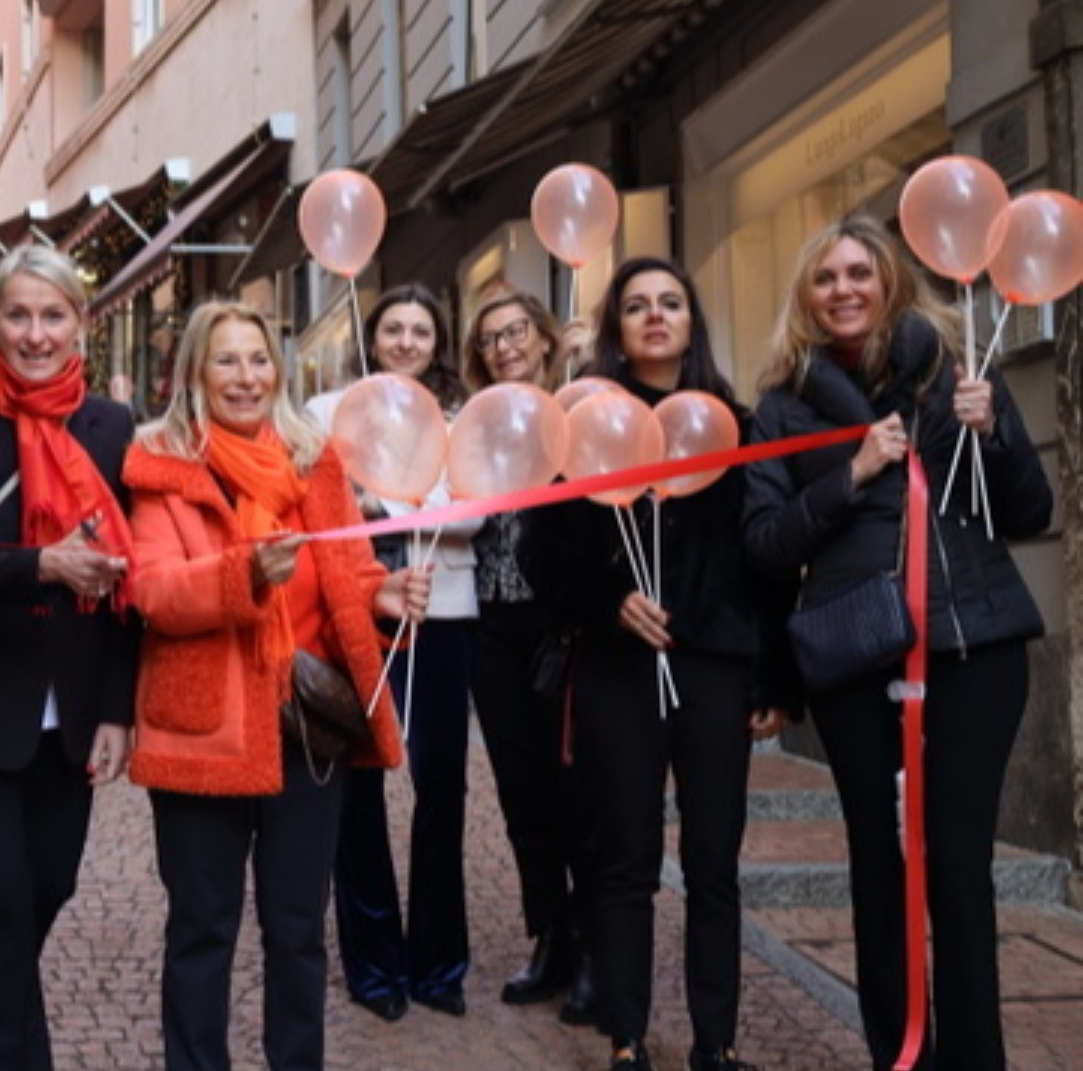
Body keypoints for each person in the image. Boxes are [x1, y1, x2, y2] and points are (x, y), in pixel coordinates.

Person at [745, 216, 1051, 1071]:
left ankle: (975, 1059)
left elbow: (1031, 515)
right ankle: (900, 1056)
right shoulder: (780, 407)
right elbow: (766, 545)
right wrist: (850, 478)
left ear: (889, 282)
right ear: (805, 298)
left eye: (859, 273)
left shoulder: (958, 380)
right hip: (854, 653)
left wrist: (999, 434)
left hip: (975, 647)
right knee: (878, 866)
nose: (843, 290)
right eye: (825, 278)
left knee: (957, 865)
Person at [125, 300, 432, 1071]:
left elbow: (348, 571)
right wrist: (241, 574)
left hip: (304, 731)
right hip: (206, 733)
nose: (245, 376)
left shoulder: (311, 459)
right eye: (225, 360)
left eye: (258, 360)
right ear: (196, 371)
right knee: (202, 928)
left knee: (298, 929)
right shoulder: (162, 465)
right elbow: (155, 592)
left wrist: (382, 595)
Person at [533, 258, 788, 1071]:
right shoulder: (583, 425)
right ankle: (627, 1037)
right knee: (626, 856)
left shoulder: (737, 424)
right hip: (619, 662)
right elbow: (547, 550)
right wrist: (610, 598)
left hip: (714, 662)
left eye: (670, 303)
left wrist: (772, 676)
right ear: (616, 327)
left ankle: (717, 1042)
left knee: (714, 860)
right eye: (636, 305)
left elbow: (766, 560)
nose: (654, 317)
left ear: (691, 321)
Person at [0, 244, 138, 1071]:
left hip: (76, 703)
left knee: (52, 887)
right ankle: (8, 1056)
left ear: (80, 322)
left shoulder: (112, 427)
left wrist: (118, 707)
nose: (36, 333)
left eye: (53, 315)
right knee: (3, 896)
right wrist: (43, 562)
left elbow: (128, 588)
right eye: (19, 315)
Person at [306, 285, 482, 1022]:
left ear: (438, 342)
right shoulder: (331, 413)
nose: (408, 341)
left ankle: (439, 963)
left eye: (421, 330)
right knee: (361, 791)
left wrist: (383, 505)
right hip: (358, 615)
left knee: (442, 791)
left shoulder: (461, 419)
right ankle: (374, 967)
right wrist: (400, 505)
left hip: (443, 613)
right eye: (394, 329)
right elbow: (320, 505)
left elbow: (476, 516)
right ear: (372, 339)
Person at [461, 289, 599, 1024]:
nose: (505, 346)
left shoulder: (575, 409)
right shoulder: (475, 427)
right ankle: (549, 936)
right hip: (493, 626)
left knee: (576, 791)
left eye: (516, 332)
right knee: (521, 795)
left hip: (562, 625)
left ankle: (591, 942)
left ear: (543, 339)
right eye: (490, 339)